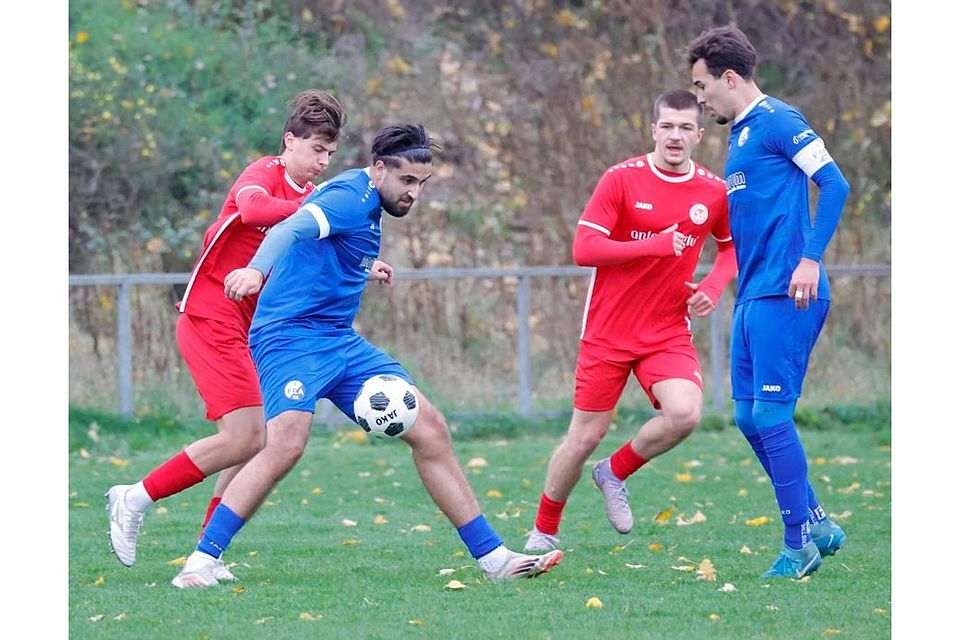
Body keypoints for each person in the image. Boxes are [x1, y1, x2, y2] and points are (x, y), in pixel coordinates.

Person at [170, 123, 564, 588]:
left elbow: (333, 251)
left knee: (432, 429)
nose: (414, 193)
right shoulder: (348, 197)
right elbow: (291, 228)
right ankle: (200, 562)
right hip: (289, 338)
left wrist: (363, 266)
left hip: (338, 340)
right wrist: (256, 271)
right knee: (285, 445)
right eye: (407, 181)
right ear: (379, 169)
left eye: (422, 183)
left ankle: (494, 558)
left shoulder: (369, 204)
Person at [105, 90, 365, 578]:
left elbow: (321, 254)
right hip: (209, 317)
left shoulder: (313, 199)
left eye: (330, 154)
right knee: (248, 436)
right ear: (289, 142)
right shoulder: (264, 173)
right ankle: (133, 498)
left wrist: (365, 264)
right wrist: (309, 219)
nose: (322, 162)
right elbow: (252, 210)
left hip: (251, 331)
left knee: (253, 437)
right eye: (315, 150)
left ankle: (208, 552)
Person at [524, 90, 737, 553]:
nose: (675, 136)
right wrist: (653, 245)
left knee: (685, 414)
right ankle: (543, 530)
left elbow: (729, 249)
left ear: (699, 135)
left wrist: (713, 288)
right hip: (608, 332)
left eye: (685, 128)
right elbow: (584, 250)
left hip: (666, 331)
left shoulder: (713, 192)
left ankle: (614, 471)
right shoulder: (620, 180)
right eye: (668, 126)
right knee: (584, 436)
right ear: (653, 129)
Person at [687, 26, 850, 579]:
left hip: (789, 289)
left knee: (773, 416)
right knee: (746, 417)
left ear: (729, 78)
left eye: (702, 85)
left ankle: (796, 544)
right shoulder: (739, 136)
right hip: (752, 294)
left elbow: (835, 184)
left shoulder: (780, 120)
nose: (700, 98)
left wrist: (810, 257)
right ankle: (818, 523)